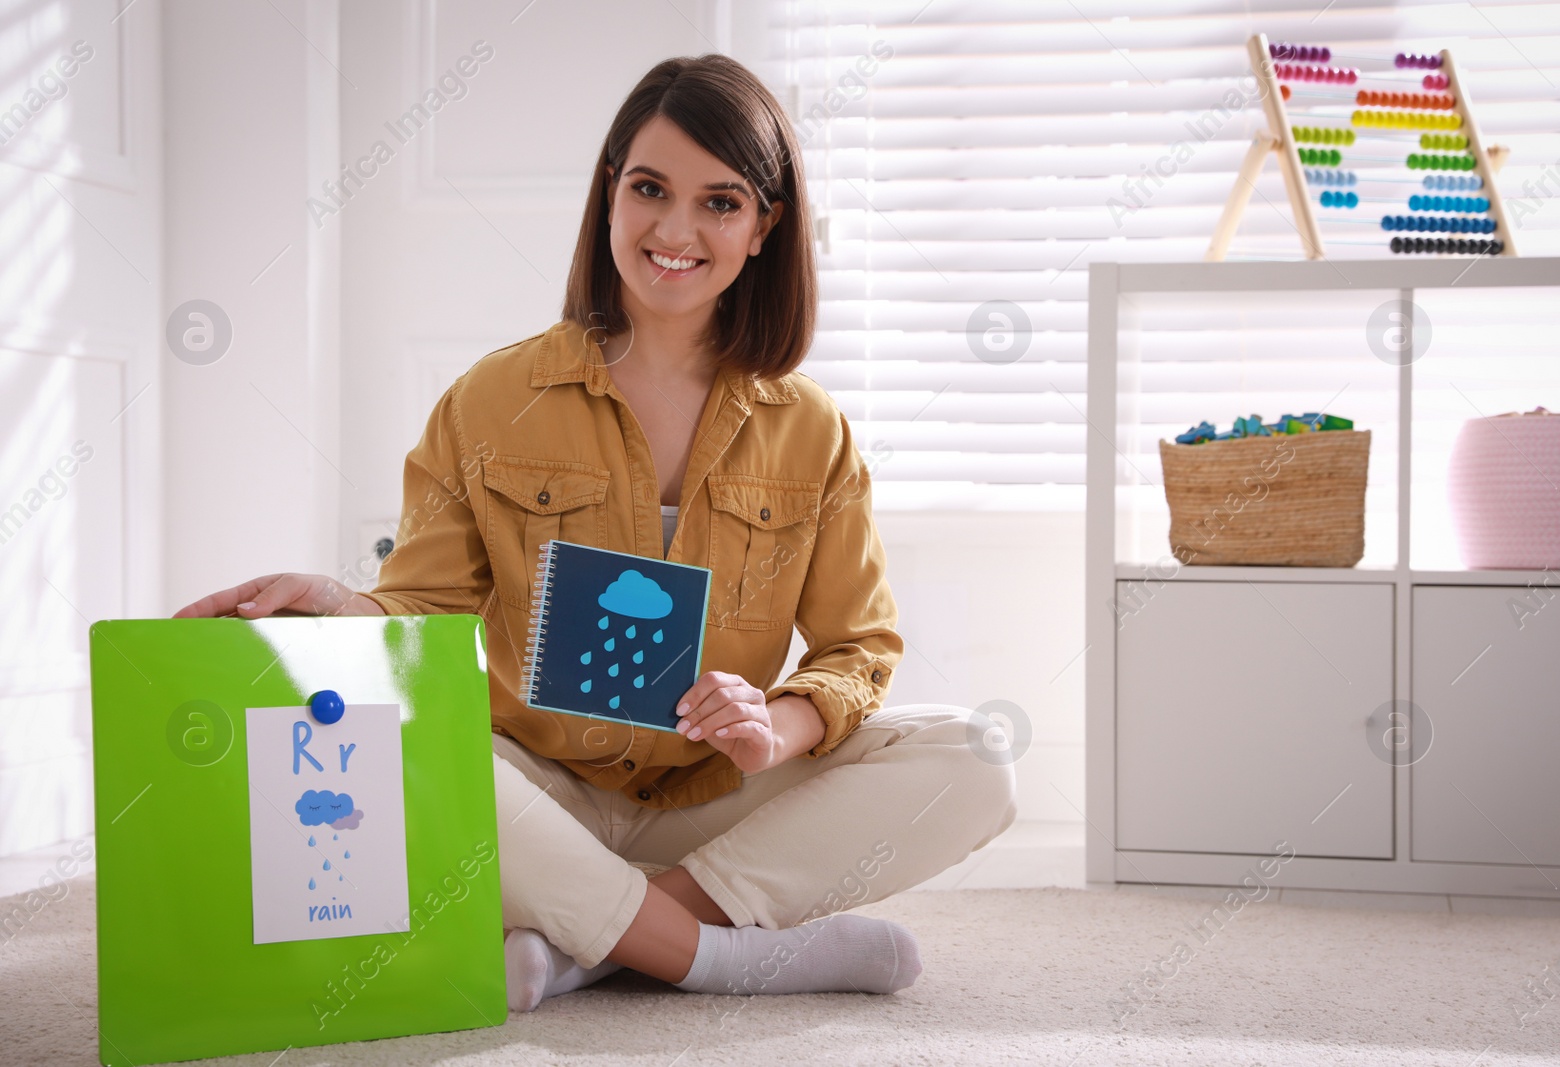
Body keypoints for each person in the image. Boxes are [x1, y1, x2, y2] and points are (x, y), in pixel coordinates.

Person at [176, 53, 1015, 1010]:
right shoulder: (492, 400)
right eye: (650, 188)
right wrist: (346, 604)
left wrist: (769, 733)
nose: (674, 230)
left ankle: (594, 945)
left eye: (721, 202)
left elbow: (856, 650)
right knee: (390, 746)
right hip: (533, 794)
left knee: (976, 755)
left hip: (713, 808)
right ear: (610, 192)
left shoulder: (810, 428)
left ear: (763, 228)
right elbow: (425, 610)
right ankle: (717, 957)